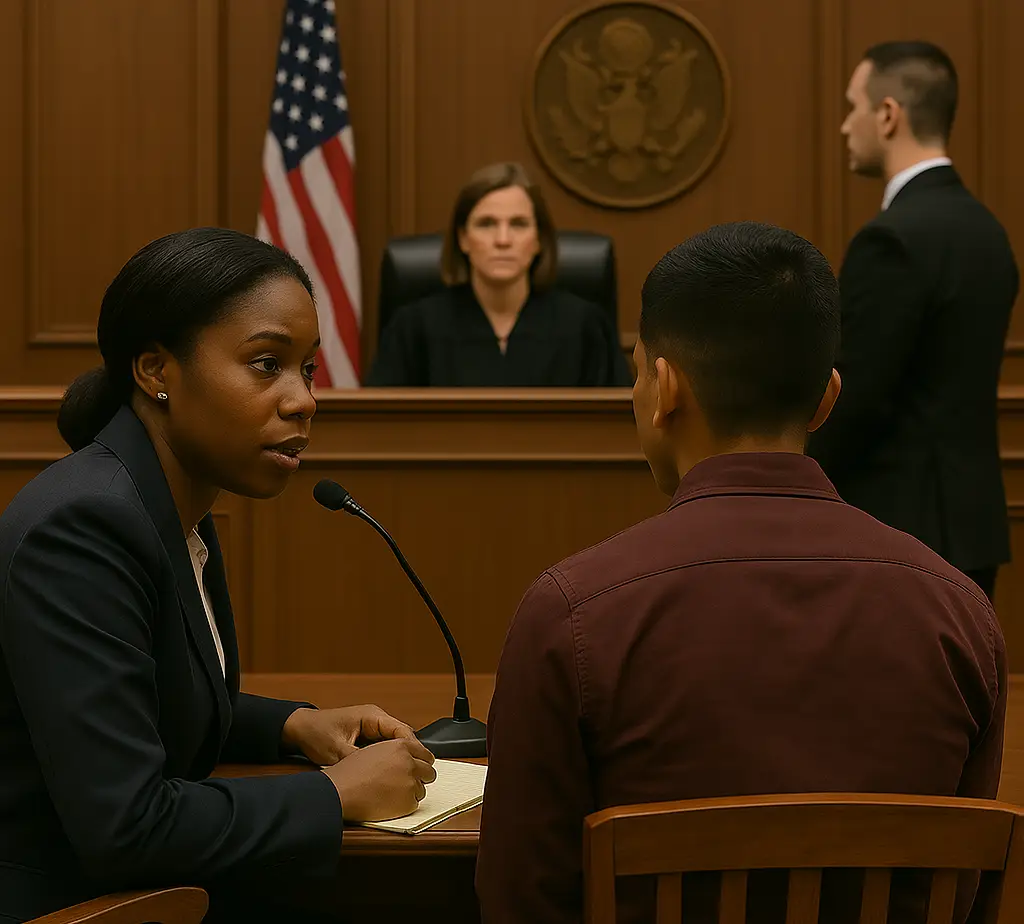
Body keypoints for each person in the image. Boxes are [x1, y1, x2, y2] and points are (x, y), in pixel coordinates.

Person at [476, 222, 1006, 924]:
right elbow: (964, 895)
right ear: (826, 398)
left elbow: (519, 901)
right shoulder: (961, 615)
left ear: (663, 387)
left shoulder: (570, 614)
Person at [0, 228, 437, 923]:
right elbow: (128, 826)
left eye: (309, 369)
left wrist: (295, 724)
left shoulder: (167, 505)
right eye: (267, 364)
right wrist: (336, 793)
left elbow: (149, 700)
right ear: (155, 371)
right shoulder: (83, 527)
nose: (304, 401)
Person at [806, 41, 1019, 601]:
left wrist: (798, 489)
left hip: (898, 530)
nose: (846, 126)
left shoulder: (892, 239)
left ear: (888, 114)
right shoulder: (988, 232)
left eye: (853, 107)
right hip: (970, 530)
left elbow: (856, 397)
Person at [365, 162, 631, 387]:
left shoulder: (586, 327)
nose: (503, 240)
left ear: (539, 239)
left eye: (518, 224)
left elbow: (618, 424)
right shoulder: (413, 329)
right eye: (486, 224)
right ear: (463, 239)